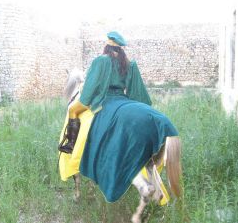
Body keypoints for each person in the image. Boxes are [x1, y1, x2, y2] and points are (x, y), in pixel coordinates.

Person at [59, 31, 178, 202]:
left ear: (106, 46)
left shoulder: (101, 61)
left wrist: (86, 101)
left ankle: (69, 145)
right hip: (123, 100)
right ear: (121, 50)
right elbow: (138, 94)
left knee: (72, 110)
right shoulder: (129, 65)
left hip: (105, 102)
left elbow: (89, 91)